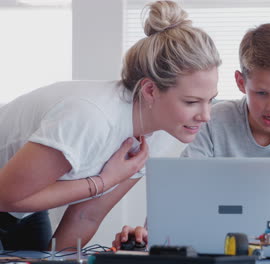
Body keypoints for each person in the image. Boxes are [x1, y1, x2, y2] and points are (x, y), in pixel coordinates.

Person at [113, 23, 270, 251]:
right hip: (220, 245)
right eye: (261, 92)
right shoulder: (214, 119)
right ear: (241, 82)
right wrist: (151, 232)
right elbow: (183, 184)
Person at [0, 0, 221, 251]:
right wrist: (103, 181)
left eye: (210, 100)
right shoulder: (91, 117)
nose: (206, 116)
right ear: (150, 90)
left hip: (24, 210)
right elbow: (6, 196)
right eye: (192, 102)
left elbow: (86, 216)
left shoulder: (164, 131)